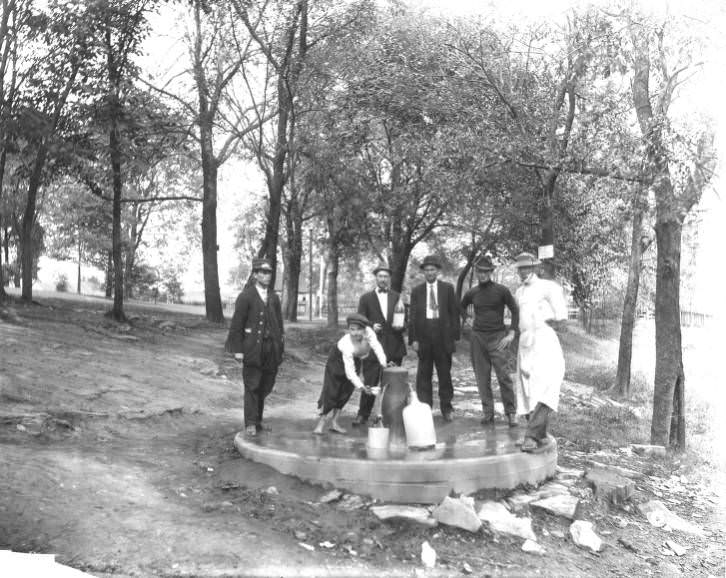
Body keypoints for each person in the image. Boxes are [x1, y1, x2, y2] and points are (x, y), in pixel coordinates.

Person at [512, 252, 568, 452]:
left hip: (544, 340)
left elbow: (562, 315)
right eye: (520, 268)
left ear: (535, 267)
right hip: (526, 342)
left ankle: (532, 435)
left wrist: (550, 321)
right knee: (527, 389)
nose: (523, 271)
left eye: (527, 267)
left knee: (547, 386)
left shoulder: (548, 287)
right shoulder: (519, 292)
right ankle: (539, 435)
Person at [225, 258, 284, 437]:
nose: (267, 276)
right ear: (255, 274)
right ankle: (250, 422)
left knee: (266, 385)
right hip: (252, 349)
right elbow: (237, 324)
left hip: (270, 349)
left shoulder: (274, 297)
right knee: (252, 385)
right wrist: (238, 350)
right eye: (263, 272)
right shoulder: (246, 296)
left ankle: (258, 420)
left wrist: (280, 347)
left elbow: (279, 325)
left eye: (269, 273)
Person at [460, 255, 520, 427]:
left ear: (491, 272)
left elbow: (515, 310)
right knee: (482, 378)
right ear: (476, 272)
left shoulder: (501, 290)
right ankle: (488, 413)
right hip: (478, 338)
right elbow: (461, 306)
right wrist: (467, 319)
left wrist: (511, 334)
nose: (483, 274)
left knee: (504, 376)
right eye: (479, 271)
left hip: (498, 338)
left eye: (486, 271)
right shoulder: (473, 292)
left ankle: (511, 413)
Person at [352, 263, 407, 427]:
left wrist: (401, 326)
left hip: (394, 347)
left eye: (386, 277)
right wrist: (370, 326)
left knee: (392, 384)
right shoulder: (366, 298)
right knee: (370, 382)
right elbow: (359, 321)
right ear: (376, 278)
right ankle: (363, 414)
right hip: (373, 349)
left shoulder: (397, 297)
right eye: (380, 276)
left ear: (389, 279)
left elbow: (405, 320)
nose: (383, 279)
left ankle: (390, 416)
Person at [314, 313, 387, 435]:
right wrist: (362, 387)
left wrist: (383, 362)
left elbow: (377, 347)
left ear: (364, 329)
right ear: (348, 330)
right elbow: (350, 373)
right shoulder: (346, 345)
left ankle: (335, 423)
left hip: (356, 359)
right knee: (332, 392)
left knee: (346, 392)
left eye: (359, 329)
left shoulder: (369, 333)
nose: (355, 333)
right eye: (352, 329)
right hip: (336, 362)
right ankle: (320, 424)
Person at [408, 255, 460, 422]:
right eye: (427, 270)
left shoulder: (447, 289)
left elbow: (454, 314)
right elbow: (413, 317)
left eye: (432, 269)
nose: (429, 272)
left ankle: (447, 408)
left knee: (444, 374)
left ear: (437, 271)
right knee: (423, 375)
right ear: (423, 272)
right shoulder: (417, 291)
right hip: (424, 337)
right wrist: (414, 339)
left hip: (442, 336)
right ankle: (425, 408)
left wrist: (453, 339)